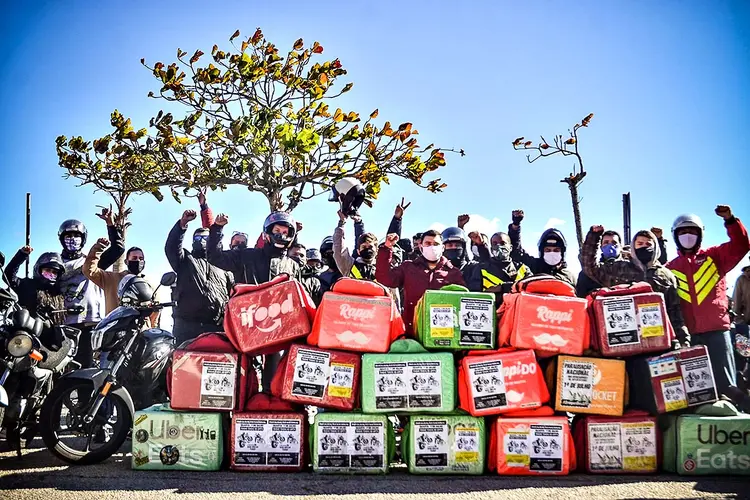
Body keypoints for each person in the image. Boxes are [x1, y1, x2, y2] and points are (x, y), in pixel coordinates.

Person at [208, 211, 307, 390]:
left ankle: (271, 408)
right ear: (266, 233)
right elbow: (214, 257)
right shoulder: (247, 255)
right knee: (243, 378)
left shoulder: (293, 265)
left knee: (274, 380)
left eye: (285, 232)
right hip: (246, 326)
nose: (281, 235)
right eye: (277, 230)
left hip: (279, 330)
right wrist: (217, 229)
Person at [667, 205, 750, 404]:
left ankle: (740, 416)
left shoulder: (715, 257)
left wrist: (730, 220)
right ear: (675, 237)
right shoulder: (669, 268)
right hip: (688, 334)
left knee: (726, 385)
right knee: (695, 387)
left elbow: (741, 245)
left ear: (701, 235)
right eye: (683, 232)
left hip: (716, 330)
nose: (688, 235)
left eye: (692, 232)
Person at [581, 226, 690, 347]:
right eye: (640, 243)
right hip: (625, 339)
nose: (644, 246)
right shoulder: (619, 268)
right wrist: (594, 237)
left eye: (648, 244)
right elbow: (590, 268)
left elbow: (675, 311)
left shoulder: (666, 275)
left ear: (655, 247)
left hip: (659, 339)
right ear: (633, 246)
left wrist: (683, 340)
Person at [376, 229, 465, 335]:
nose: (432, 247)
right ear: (421, 247)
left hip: (443, 333)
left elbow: (462, 302)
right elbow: (385, 278)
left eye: (435, 244)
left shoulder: (453, 273)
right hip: (412, 331)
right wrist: (386, 248)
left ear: (442, 248)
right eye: (428, 243)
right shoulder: (408, 267)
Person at [165, 210, 234, 345]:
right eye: (197, 238)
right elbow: (171, 248)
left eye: (205, 238)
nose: (201, 241)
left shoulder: (224, 266)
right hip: (187, 327)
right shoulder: (185, 260)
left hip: (216, 328)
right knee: (183, 365)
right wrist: (182, 225)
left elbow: (233, 296)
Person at [57, 218, 107, 368]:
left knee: (85, 366)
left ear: (83, 239)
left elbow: (117, 250)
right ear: (61, 239)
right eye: (68, 236)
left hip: (87, 322)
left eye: (76, 235)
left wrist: (112, 228)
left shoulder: (92, 262)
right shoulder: (54, 262)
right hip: (61, 324)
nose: (72, 239)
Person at [83, 239, 159, 327]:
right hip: (115, 330)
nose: (138, 261)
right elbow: (89, 270)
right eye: (134, 258)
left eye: (141, 258)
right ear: (126, 262)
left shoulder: (150, 286)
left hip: (141, 332)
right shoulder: (111, 279)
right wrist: (98, 248)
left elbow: (155, 314)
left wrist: (152, 329)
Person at [508, 210, 577, 286]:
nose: (552, 253)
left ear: (562, 252)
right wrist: (515, 226)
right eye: (548, 250)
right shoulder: (534, 267)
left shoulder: (570, 277)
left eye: (556, 250)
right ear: (542, 252)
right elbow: (517, 253)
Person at [5, 248, 67, 332]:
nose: (51, 274)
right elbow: (8, 276)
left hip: (50, 338)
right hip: (25, 334)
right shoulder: (26, 284)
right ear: (38, 269)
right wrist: (21, 255)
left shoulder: (58, 292)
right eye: (48, 270)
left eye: (54, 272)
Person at [467, 231, 532, 304]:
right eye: (495, 244)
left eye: (502, 243)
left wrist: (502, 287)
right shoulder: (481, 269)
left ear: (510, 247)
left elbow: (532, 289)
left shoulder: (522, 269)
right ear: (491, 249)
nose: (499, 246)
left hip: (518, 312)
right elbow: (473, 297)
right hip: (493, 313)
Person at [576, 230, 623, 298]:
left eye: (614, 243)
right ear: (600, 247)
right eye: (606, 242)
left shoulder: (630, 268)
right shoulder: (588, 273)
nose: (610, 245)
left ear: (620, 246)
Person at [333, 211, 379, 281]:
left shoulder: (382, 269)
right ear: (358, 251)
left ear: (377, 250)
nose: (367, 250)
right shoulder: (349, 266)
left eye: (370, 247)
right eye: (364, 247)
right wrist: (341, 223)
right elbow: (338, 250)